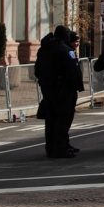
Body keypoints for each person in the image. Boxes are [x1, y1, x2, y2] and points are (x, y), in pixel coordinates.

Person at [35, 26, 80, 159]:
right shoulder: (64, 50)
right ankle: (61, 148)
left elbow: (37, 70)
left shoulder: (44, 49)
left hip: (48, 89)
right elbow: (72, 71)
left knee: (51, 120)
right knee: (62, 120)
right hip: (63, 90)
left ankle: (51, 148)